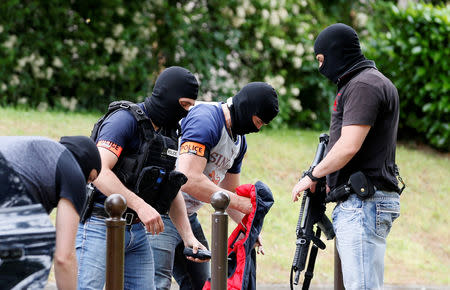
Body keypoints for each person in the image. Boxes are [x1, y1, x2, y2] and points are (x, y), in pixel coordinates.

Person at [76, 66, 208, 290]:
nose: (185, 112)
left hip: (136, 231)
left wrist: (188, 237)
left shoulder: (169, 133)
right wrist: (140, 205)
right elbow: (99, 171)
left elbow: (171, 187)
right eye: (184, 104)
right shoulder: (123, 121)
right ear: (168, 96)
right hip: (100, 224)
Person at [291, 23, 402, 290]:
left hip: (363, 203)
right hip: (364, 201)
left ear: (335, 52)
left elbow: (349, 145)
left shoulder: (363, 84)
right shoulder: (368, 81)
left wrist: (312, 175)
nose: (321, 68)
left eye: (321, 60)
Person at [149, 82, 279, 290]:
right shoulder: (206, 120)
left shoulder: (239, 141)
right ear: (246, 108)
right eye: (258, 121)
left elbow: (228, 196)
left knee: (205, 284)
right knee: (156, 284)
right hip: (160, 211)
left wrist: (248, 229)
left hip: (188, 215)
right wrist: (240, 202)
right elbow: (188, 177)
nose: (258, 128)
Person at [0, 135, 101, 290]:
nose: (87, 184)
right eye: (90, 178)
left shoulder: (41, 153)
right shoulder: (74, 173)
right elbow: (64, 258)